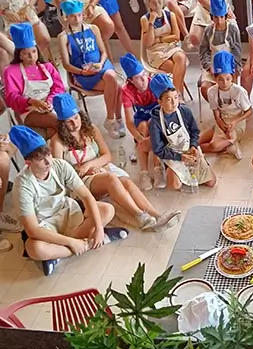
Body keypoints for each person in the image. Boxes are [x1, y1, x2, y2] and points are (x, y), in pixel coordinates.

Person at [51, 93, 180, 233]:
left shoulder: (91, 129)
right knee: (111, 178)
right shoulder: (57, 142)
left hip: (99, 170)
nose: (75, 124)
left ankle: (156, 215)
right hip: (79, 182)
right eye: (69, 122)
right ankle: (140, 215)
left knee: (126, 182)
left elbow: (107, 156)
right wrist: (82, 170)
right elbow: (59, 175)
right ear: (62, 124)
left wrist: (90, 165)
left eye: (76, 118)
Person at [10, 125, 128, 276]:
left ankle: (57, 255)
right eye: (40, 159)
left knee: (107, 210)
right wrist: (72, 243)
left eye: (48, 155)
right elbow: (33, 230)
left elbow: (86, 196)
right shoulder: (22, 185)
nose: (48, 162)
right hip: (45, 225)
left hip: (67, 211)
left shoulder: (59, 165)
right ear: (28, 163)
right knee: (35, 248)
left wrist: (98, 228)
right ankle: (92, 241)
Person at [58, 0, 124, 140]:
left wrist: (100, 64)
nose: (76, 19)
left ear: (83, 15)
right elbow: (66, 65)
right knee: (116, 85)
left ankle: (111, 119)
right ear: (67, 18)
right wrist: (82, 72)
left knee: (112, 77)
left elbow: (103, 52)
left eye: (79, 15)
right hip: (82, 73)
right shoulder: (63, 37)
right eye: (72, 16)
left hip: (100, 66)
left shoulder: (93, 29)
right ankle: (115, 120)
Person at [149, 74, 216, 191]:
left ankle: (190, 171)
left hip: (189, 149)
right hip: (172, 155)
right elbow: (158, 149)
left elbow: (194, 131)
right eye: (169, 100)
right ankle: (166, 169)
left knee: (211, 182)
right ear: (159, 101)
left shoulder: (184, 111)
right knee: (175, 186)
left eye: (176, 97)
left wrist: (194, 146)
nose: (174, 103)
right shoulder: (155, 122)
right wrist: (180, 157)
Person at [4, 23, 65, 137]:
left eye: (33, 51)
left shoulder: (47, 67)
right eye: (26, 54)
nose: (32, 57)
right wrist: (32, 101)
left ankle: (57, 144)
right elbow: (11, 98)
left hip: (52, 105)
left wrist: (50, 101)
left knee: (73, 121)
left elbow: (59, 87)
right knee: (61, 123)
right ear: (19, 55)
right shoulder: (11, 71)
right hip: (29, 110)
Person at [120, 53, 164, 192]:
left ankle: (157, 168)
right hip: (141, 121)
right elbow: (129, 120)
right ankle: (144, 173)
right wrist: (141, 139)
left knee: (152, 124)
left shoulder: (154, 83)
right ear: (131, 81)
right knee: (144, 126)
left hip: (157, 119)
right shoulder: (126, 91)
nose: (144, 79)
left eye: (144, 74)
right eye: (138, 78)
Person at [199, 50, 252, 160]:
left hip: (236, 124)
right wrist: (222, 126)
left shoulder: (239, 91)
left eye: (228, 79)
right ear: (214, 78)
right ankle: (228, 146)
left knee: (213, 146)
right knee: (195, 142)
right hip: (222, 123)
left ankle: (229, 145)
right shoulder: (211, 91)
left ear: (232, 76)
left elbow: (249, 111)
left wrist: (234, 122)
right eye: (220, 79)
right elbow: (216, 115)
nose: (225, 83)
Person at [140, 0, 187, 95]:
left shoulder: (170, 15)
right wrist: (151, 23)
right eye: (154, 3)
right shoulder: (145, 20)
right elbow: (149, 43)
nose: (157, 5)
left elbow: (176, 36)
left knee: (181, 58)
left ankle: (176, 94)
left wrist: (159, 39)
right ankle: (177, 94)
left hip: (171, 47)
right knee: (176, 68)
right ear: (148, 3)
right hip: (155, 52)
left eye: (159, 1)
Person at [198, 0, 242, 101]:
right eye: (216, 17)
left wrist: (233, 71)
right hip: (212, 66)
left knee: (232, 90)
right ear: (212, 17)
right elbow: (203, 51)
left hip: (229, 66)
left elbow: (237, 52)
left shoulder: (232, 29)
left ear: (226, 16)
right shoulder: (208, 30)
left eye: (222, 17)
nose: (219, 21)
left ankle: (230, 108)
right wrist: (209, 67)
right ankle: (218, 108)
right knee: (205, 88)